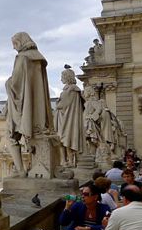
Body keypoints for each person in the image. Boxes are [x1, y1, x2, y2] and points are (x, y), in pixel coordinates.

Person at [5, 32, 54, 177]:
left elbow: (15, 84)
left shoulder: (22, 58)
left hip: (24, 107)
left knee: (11, 135)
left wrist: (7, 82)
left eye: (15, 44)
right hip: (38, 111)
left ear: (20, 42)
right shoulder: (38, 58)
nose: (14, 48)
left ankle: (20, 171)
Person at [54, 65, 84, 168]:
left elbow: (63, 105)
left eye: (62, 76)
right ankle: (63, 160)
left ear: (67, 77)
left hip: (68, 119)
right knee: (61, 140)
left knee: (66, 139)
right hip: (63, 117)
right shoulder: (71, 90)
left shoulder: (71, 90)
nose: (61, 78)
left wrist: (58, 103)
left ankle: (70, 160)